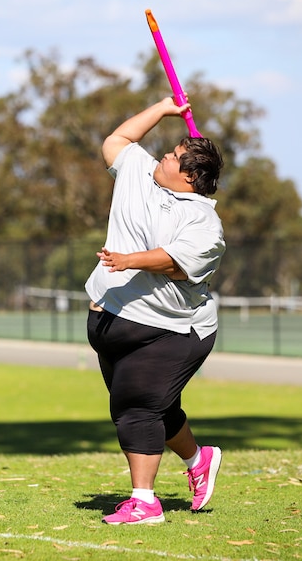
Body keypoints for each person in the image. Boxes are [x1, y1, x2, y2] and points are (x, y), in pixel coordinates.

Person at [85, 97, 226, 525]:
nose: (162, 155)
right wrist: (164, 107)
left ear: (189, 176)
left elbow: (176, 264)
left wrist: (131, 260)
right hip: (112, 320)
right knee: (156, 409)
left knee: (137, 408)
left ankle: (144, 503)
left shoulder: (205, 225)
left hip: (173, 331)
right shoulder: (138, 173)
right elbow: (118, 138)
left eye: (174, 156)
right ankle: (199, 459)